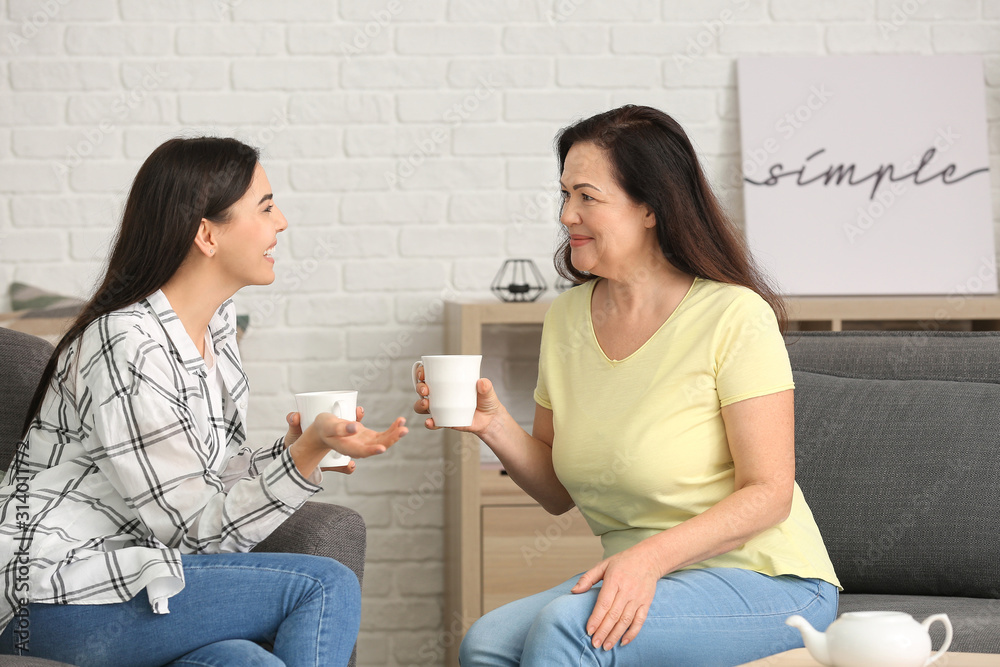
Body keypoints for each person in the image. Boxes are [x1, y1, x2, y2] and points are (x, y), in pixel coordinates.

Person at [414, 105, 841, 666]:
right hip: (647, 572)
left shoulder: (733, 316)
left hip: (768, 580)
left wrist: (648, 560)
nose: (567, 214)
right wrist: (492, 422)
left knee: (568, 631)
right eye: (564, 195)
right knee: (488, 643)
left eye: (587, 197)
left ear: (649, 207)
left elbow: (768, 494)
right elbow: (555, 491)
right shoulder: (567, 318)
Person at [0, 137, 408, 667]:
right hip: (52, 592)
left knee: (244, 661)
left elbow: (201, 485)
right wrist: (305, 459)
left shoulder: (213, 329)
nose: (281, 222)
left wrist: (292, 452)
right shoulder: (127, 343)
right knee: (323, 584)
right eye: (264, 207)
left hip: (136, 577)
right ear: (206, 234)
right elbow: (194, 531)